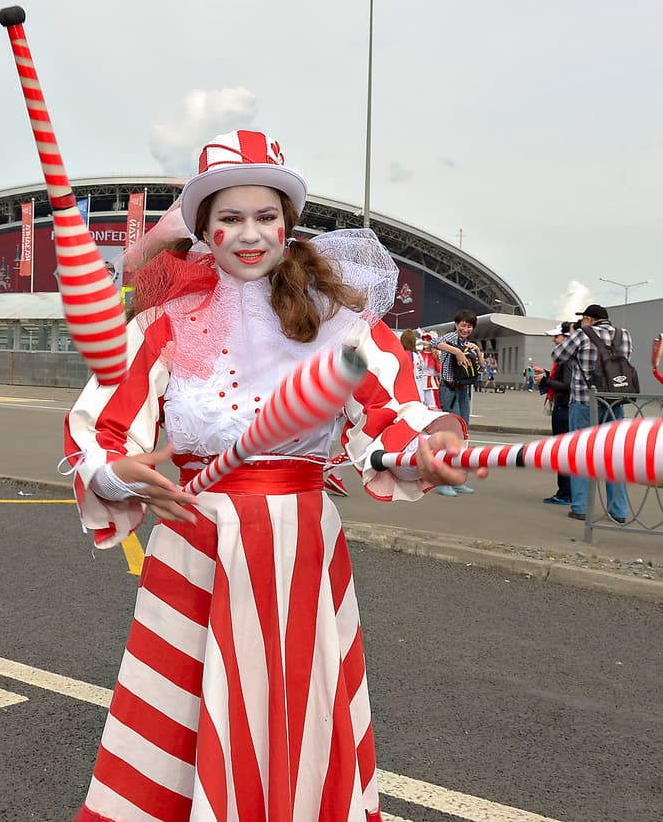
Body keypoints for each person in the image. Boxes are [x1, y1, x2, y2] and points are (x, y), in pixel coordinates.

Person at [63, 129, 480, 822]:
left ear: (287, 224)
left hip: (300, 547)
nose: (250, 233)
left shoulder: (340, 322)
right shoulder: (163, 323)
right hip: (198, 544)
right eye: (230, 218)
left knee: (299, 706)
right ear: (205, 230)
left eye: (265, 216)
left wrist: (431, 443)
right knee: (183, 708)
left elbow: (390, 415)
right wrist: (119, 475)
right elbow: (103, 432)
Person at [551, 303, 631, 524]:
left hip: (584, 402)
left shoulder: (582, 334)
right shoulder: (623, 335)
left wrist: (573, 334)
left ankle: (581, 508)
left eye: (584, 319)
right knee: (613, 456)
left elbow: (557, 355)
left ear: (589, 319)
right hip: (614, 402)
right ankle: (619, 510)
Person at [433, 310, 479, 496]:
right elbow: (435, 342)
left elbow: (478, 366)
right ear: (456, 324)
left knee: (462, 433)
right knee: (452, 434)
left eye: (469, 326)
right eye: (463, 325)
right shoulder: (452, 337)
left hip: (463, 390)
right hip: (449, 389)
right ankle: (443, 481)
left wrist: (477, 351)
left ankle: (457, 479)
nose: (465, 329)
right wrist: (457, 351)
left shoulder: (466, 343)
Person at [534, 322, 574, 505]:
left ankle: (565, 493)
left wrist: (545, 381)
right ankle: (567, 492)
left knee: (563, 452)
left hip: (564, 407)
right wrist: (547, 374)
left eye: (557, 337)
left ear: (566, 339)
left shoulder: (567, 359)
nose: (554, 341)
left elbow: (567, 385)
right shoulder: (567, 358)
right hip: (564, 406)